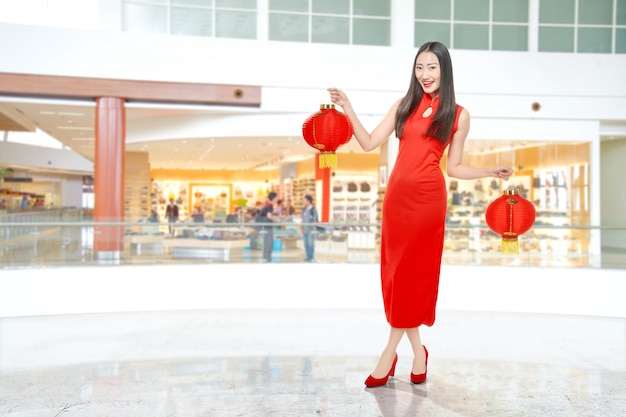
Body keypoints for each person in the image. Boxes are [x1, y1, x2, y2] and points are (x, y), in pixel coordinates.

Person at [328, 41, 513, 388]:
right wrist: (348, 107)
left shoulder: (459, 115)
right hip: (397, 200)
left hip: (428, 202)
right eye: (419, 67)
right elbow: (368, 143)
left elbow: (454, 167)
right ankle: (419, 352)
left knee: (413, 276)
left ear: (444, 70)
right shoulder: (403, 105)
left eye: (432, 68)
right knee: (398, 276)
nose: (425, 75)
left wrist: (489, 171)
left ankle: (387, 354)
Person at [257, 191, 278, 262]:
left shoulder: (267, 205)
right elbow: (269, 216)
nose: (277, 199)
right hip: (267, 227)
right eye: (276, 197)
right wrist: (277, 219)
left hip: (264, 227)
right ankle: (267, 259)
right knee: (269, 244)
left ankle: (266, 258)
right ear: (273, 198)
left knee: (266, 243)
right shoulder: (270, 206)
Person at [300, 194, 319, 262]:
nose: (304, 202)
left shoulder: (313, 210)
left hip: (311, 230)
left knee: (311, 244)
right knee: (306, 244)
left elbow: (315, 221)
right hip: (305, 230)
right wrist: (301, 228)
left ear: (308, 201)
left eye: (304, 200)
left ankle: (311, 257)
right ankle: (308, 256)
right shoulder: (304, 209)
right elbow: (302, 219)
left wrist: (314, 231)